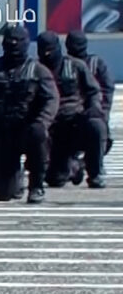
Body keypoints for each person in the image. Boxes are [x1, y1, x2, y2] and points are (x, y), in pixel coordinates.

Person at [0, 25, 59, 203]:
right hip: (0, 135)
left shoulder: (38, 71)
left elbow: (51, 100)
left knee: (39, 135)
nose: (14, 47)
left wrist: (42, 122)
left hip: (28, 131)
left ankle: (36, 185)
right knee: (3, 193)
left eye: (18, 42)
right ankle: (15, 178)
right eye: (10, 43)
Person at [35, 30, 108, 189]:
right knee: (55, 180)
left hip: (74, 122)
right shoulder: (35, 69)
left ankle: (96, 173)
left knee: (96, 125)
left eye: (50, 50)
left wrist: (94, 108)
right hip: (50, 128)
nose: (47, 54)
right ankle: (72, 167)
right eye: (44, 50)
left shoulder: (76, 66)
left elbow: (93, 91)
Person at [67, 31, 115, 138]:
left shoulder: (95, 63)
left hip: (94, 113)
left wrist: (102, 111)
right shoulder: (65, 65)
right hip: (71, 115)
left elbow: (107, 89)